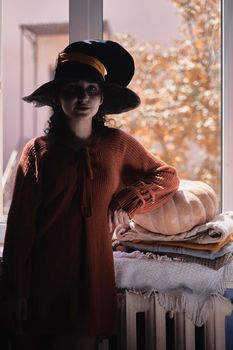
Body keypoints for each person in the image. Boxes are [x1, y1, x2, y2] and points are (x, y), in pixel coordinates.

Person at [1, 40, 179, 350]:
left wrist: (131, 199)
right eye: (72, 88)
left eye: (92, 89)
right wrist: (13, 291)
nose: (83, 97)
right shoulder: (38, 152)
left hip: (90, 284)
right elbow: (19, 228)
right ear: (58, 97)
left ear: (102, 98)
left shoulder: (117, 145)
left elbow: (167, 176)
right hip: (39, 284)